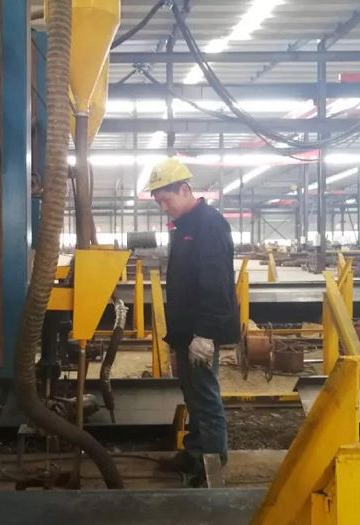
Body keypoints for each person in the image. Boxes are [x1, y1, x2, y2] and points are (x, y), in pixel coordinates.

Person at [146, 158, 239, 484]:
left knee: (205, 396)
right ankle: (195, 452)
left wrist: (205, 334)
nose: (163, 207)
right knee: (193, 393)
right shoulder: (185, 226)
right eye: (158, 202)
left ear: (185, 190)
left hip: (202, 331)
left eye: (166, 199)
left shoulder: (209, 225)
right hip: (187, 330)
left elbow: (217, 285)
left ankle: (211, 466)